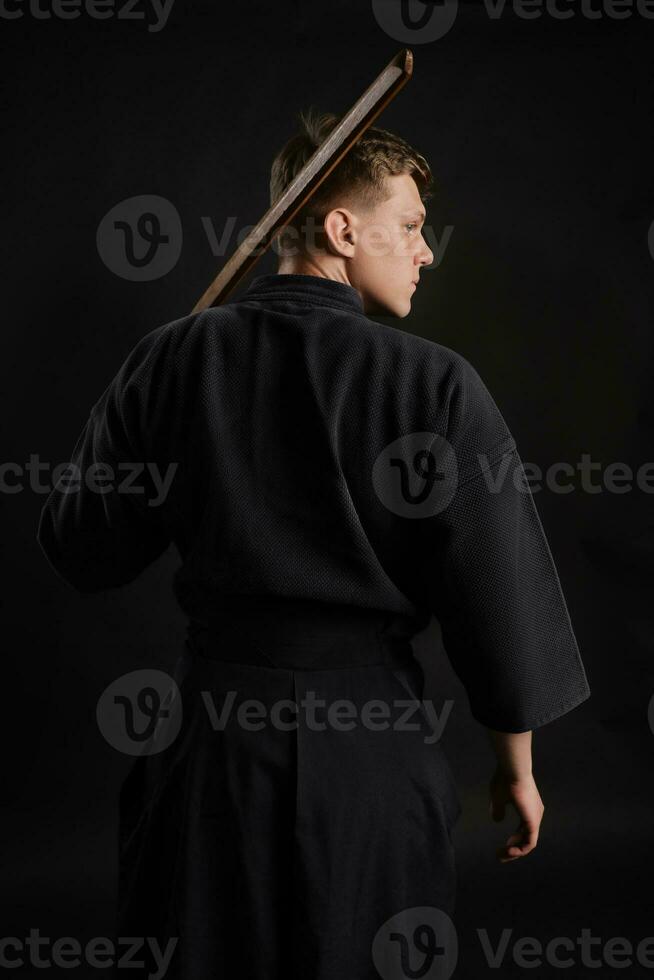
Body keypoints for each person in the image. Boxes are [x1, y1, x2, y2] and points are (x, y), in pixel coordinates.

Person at [36, 108, 591, 979]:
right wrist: (516, 771)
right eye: (409, 227)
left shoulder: (173, 358)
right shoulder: (437, 384)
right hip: (368, 759)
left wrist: (142, 395)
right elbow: (498, 597)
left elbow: (80, 546)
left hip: (208, 758)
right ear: (340, 229)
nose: (426, 250)